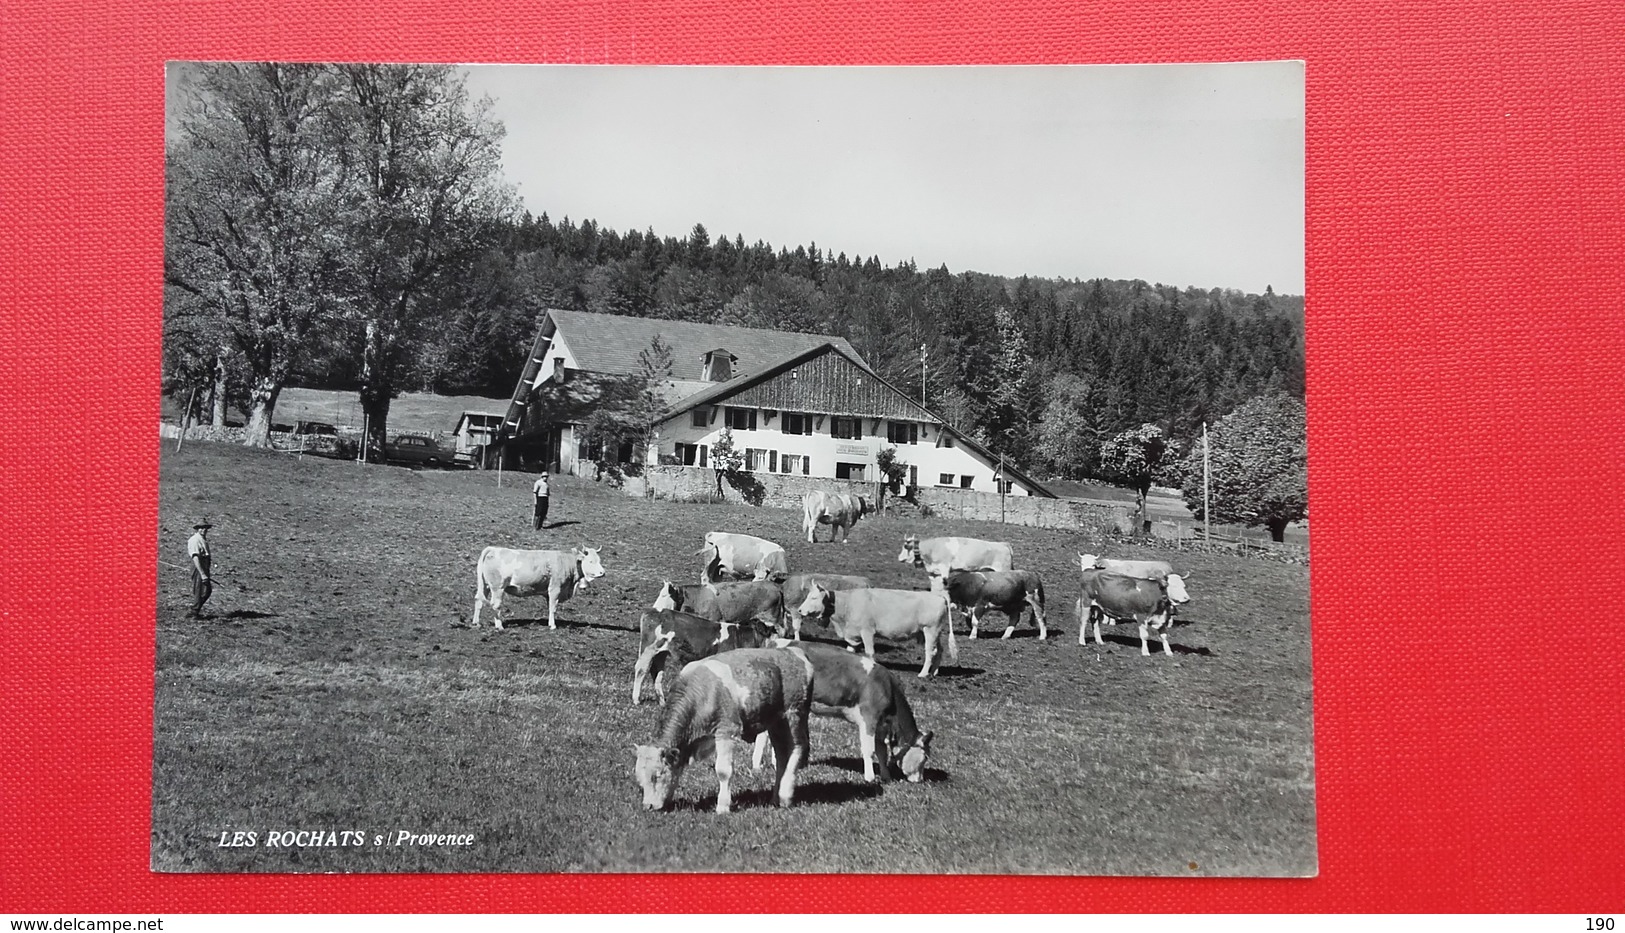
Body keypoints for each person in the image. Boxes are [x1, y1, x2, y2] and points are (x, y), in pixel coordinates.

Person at [187, 519, 213, 618]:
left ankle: (195, 610)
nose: (204, 530)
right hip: (199, 566)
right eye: (201, 528)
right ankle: (194, 612)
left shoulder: (203, 539)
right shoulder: (194, 540)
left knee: (207, 590)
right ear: (197, 529)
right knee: (200, 590)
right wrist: (202, 573)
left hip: (205, 566)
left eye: (205, 528)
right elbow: (195, 557)